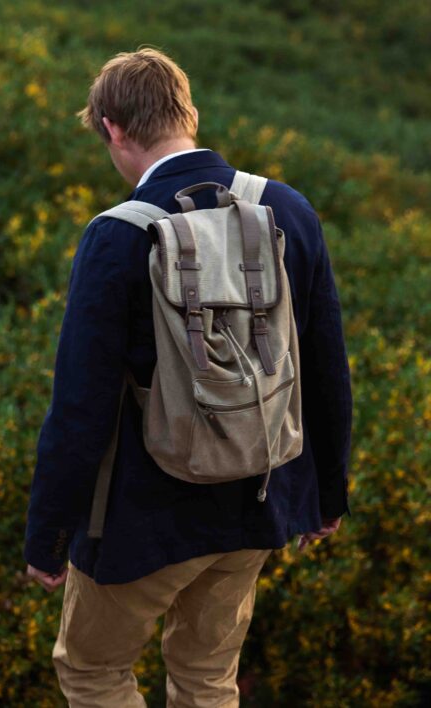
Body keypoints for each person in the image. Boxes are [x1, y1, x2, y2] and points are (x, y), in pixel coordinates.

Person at [24, 49, 352, 706]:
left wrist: (49, 537)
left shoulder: (117, 236)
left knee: (93, 670)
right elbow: (325, 362)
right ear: (188, 113)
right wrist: (327, 492)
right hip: (259, 500)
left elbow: (80, 408)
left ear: (114, 128)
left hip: (145, 517)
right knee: (207, 677)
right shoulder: (287, 209)